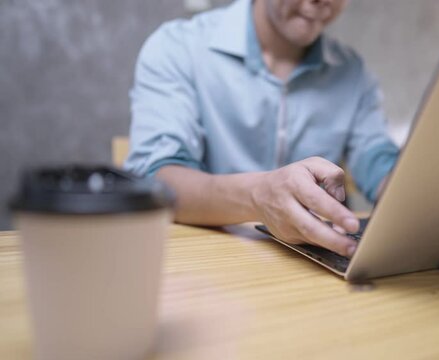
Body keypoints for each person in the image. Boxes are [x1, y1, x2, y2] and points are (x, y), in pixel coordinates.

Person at [125, 0, 399, 258]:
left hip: (315, 268)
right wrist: (258, 196)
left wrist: (418, 188)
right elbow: (158, 180)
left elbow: (377, 161)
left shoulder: (352, 71)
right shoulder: (179, 47)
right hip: (208, 264)